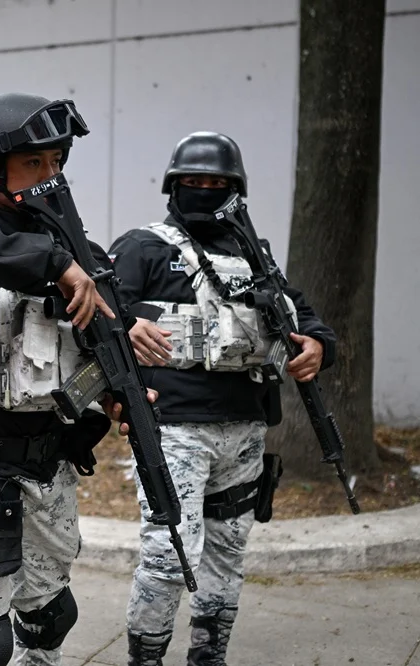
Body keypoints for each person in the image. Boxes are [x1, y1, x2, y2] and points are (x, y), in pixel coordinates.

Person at [0, 92, 156, 666]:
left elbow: (102, 342)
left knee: (50, 618)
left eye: (57, 161)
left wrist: (119, 390)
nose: (51, 175)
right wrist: (55, 264)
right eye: (34, 162)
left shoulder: (80, 253)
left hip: (47, 465)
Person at [109, 131, 337, 665]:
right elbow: (98, 314)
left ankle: (209, 656)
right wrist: (125, 326)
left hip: (246, 428)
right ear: (174, 187)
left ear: (236, 190)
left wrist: (318, 346)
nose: (205, 190)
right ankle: (146, 659)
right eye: (194, 181)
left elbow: (302, 315)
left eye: (217, 183)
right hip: (175, 428)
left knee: (228, 555)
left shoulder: (254, 253)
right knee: (169, 557)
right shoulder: (143, 247)